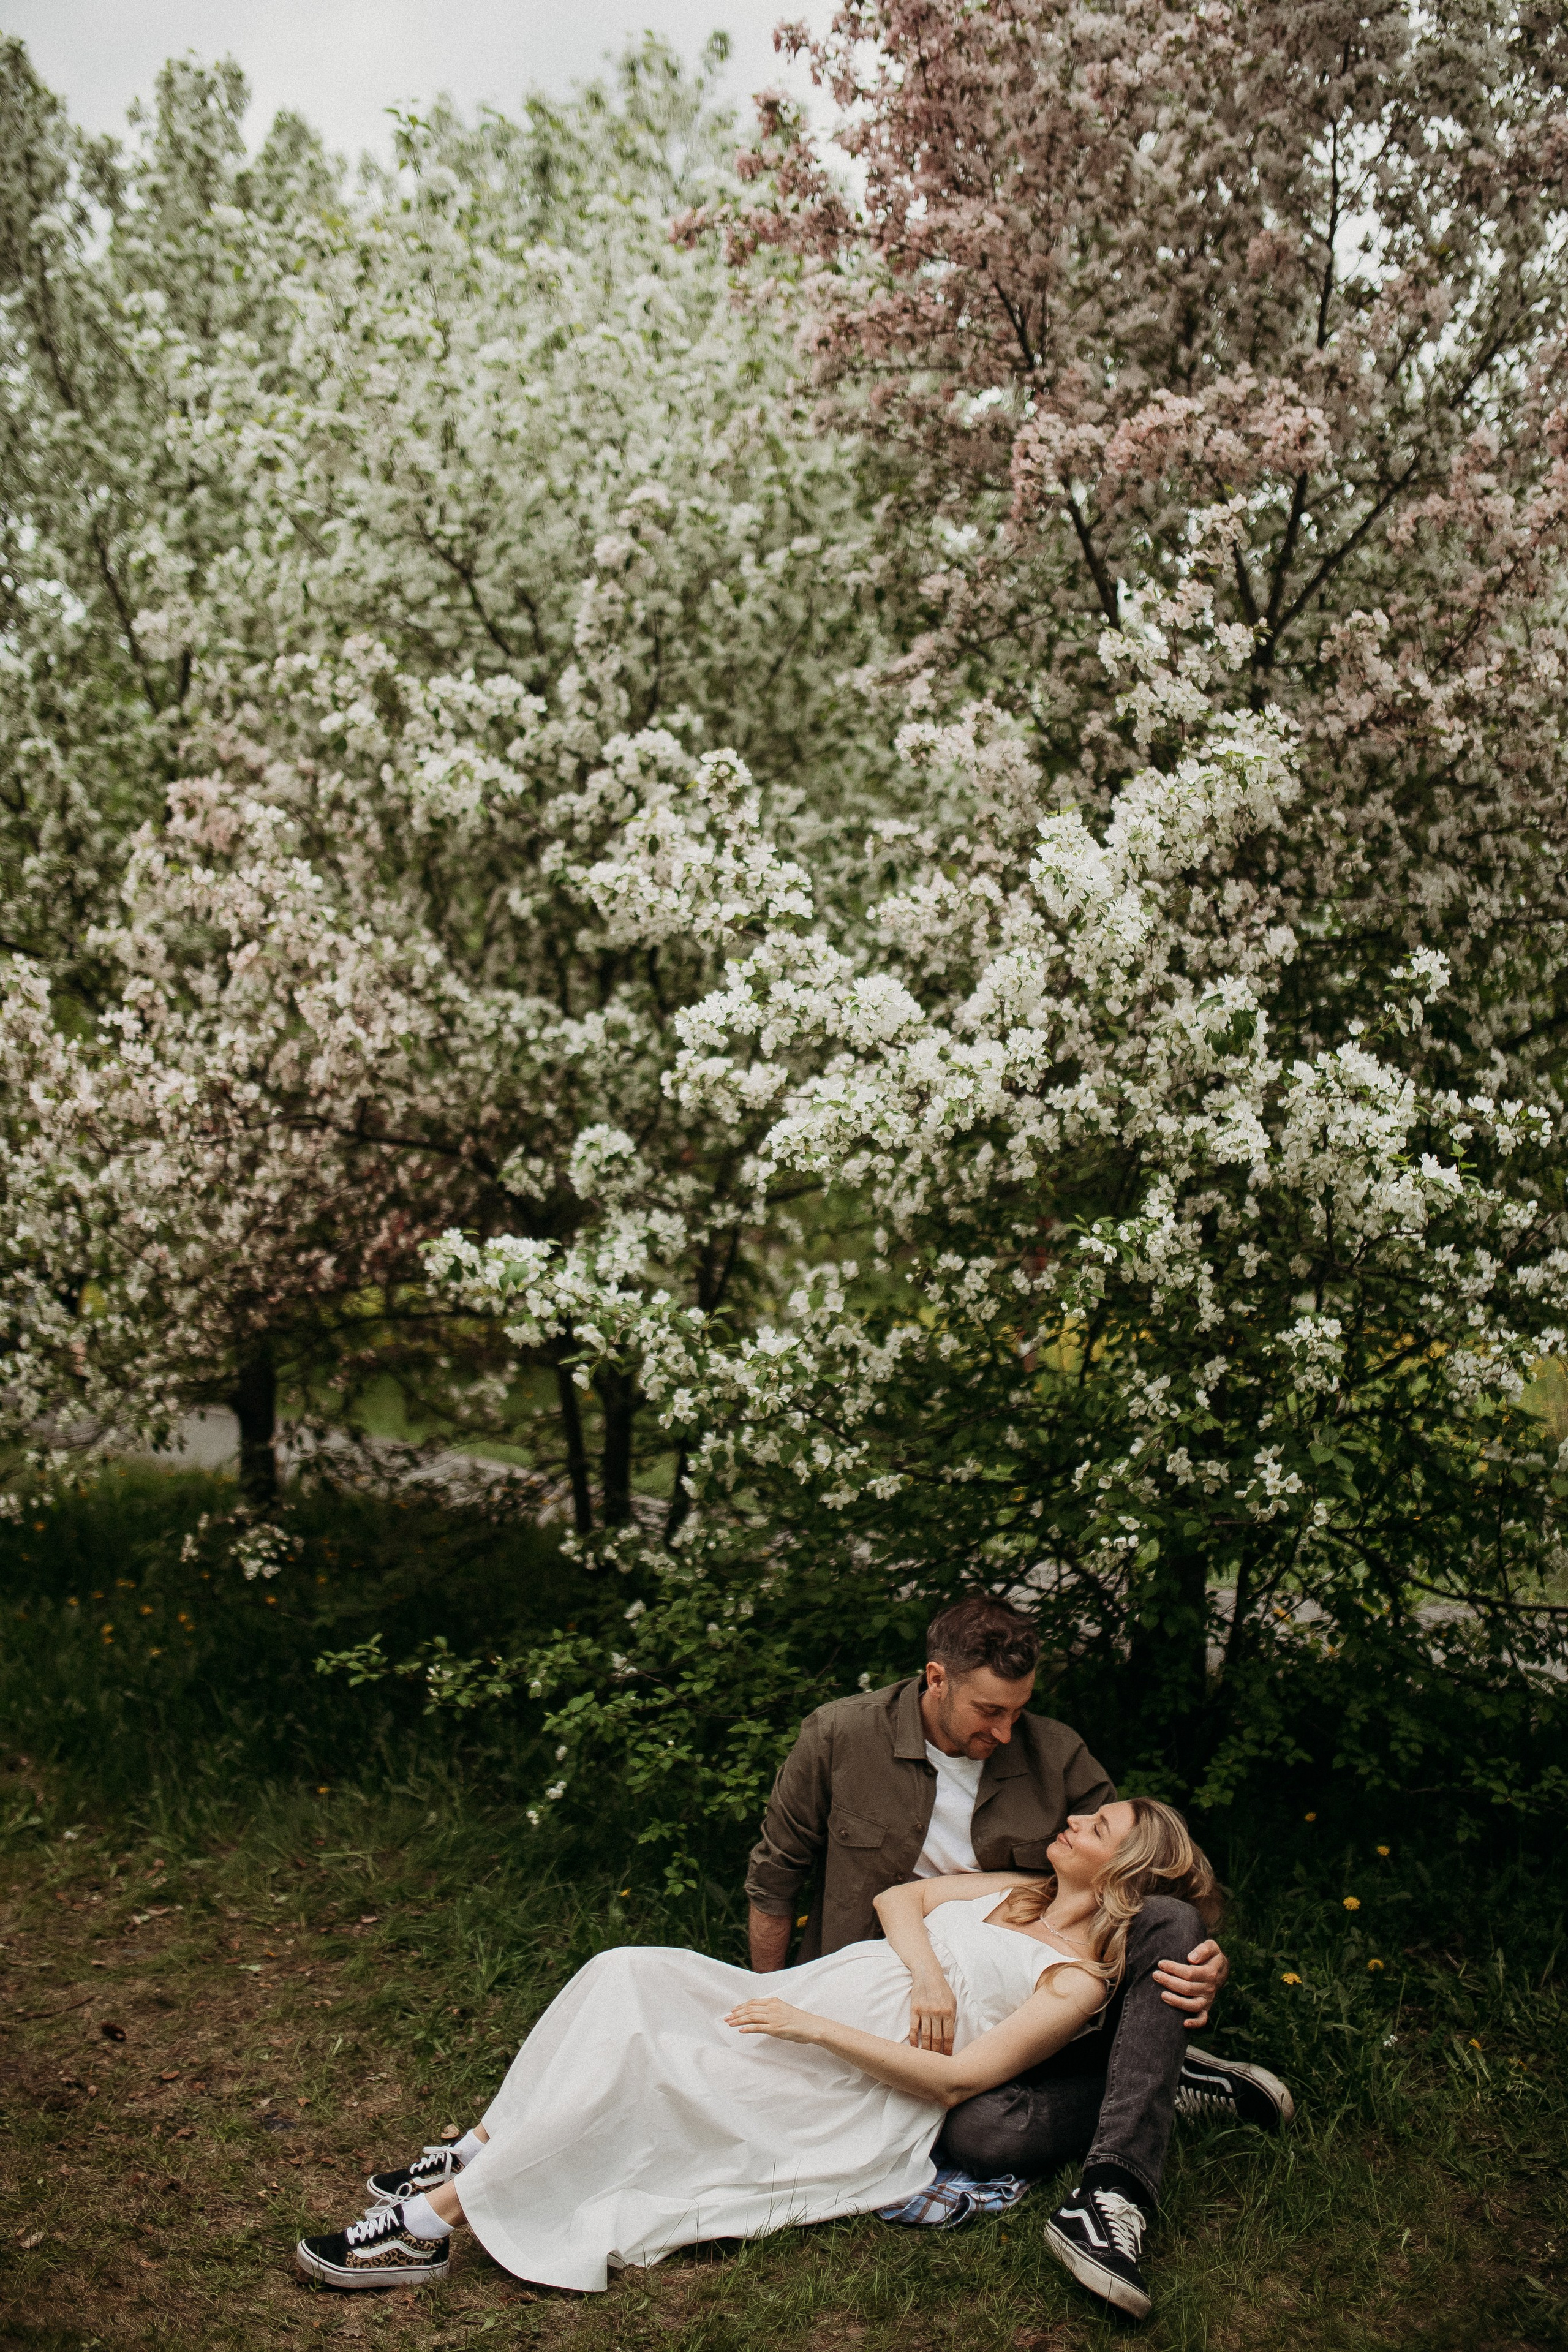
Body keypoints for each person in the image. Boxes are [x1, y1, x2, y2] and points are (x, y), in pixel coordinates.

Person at [297, 1798, 1218, 2320]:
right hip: (797, 2001)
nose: (1076, 1818)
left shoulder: (1074, 1982)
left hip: (848, 2075)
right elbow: (900, 1900)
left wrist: (812, 2030)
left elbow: (958, 2082)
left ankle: (426, 2225)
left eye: (1099, 1826)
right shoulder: (1016, 1893)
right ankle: (485, 2146)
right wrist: (929, 1975)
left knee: (645, 2072)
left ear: (1124, 1870)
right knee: (625, 1971)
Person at [744, 1594, 1292, 2293]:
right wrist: (770, 1993)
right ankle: (1153, 2080)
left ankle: (1113, 2191)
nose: (1006, 1732)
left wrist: (1201, 1959)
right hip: (894, 1994)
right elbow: (776, 1879)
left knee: (1167, 1924)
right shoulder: (840, 1735)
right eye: (989, 1711)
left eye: (1019, 1710)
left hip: (1036, 2011)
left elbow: (1137, 1872)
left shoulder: (1056, 1755)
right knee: (978, 2132)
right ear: (936, 1679)